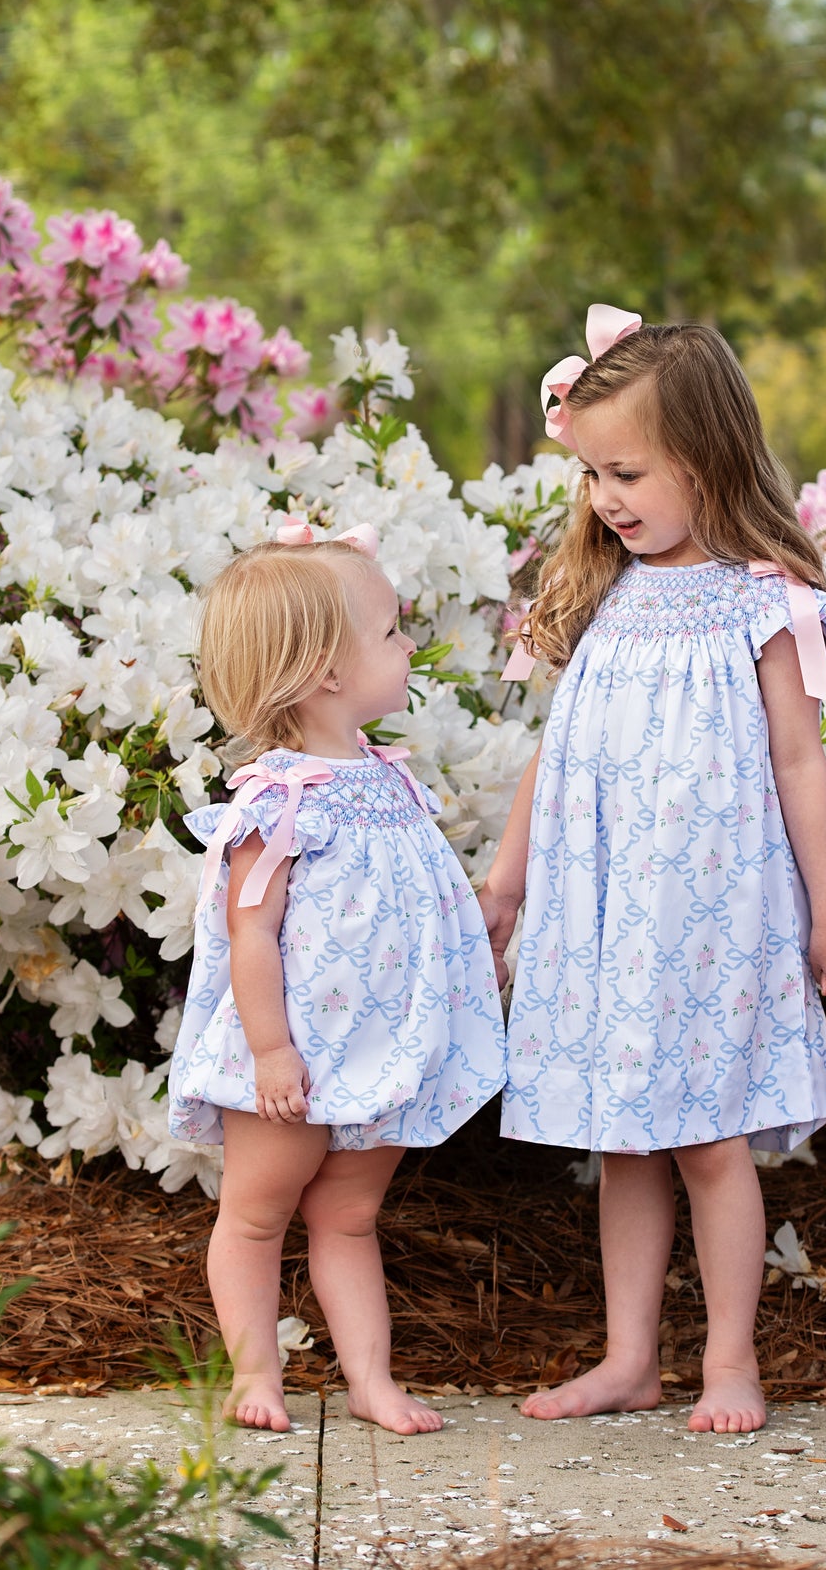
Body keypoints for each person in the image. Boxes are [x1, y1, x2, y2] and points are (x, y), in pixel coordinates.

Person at [478, 305, 826, 1435]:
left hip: (710, 913)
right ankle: (628, 1356)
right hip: (601, 905)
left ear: (704, 456)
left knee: (706, 1135)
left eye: (629, 471)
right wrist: (507, 881)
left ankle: (731, 1360)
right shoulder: (605, 595)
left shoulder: (764, 600)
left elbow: (801, 763)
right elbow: (558, 753)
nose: (607, 497)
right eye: (594, 473)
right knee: (621, 1136)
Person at [169, 519, 507, 1434]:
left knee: (350, 1218)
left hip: (380, 1048)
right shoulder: (279, 801)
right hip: (296, 1059)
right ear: (327, 671)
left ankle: (369, 1379)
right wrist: (272, 1053)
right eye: (392, 632)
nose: (407, 646)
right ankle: (254, 1378)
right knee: (254, 1217)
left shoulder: (389, 780)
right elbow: (249, 935)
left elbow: (411, 900)